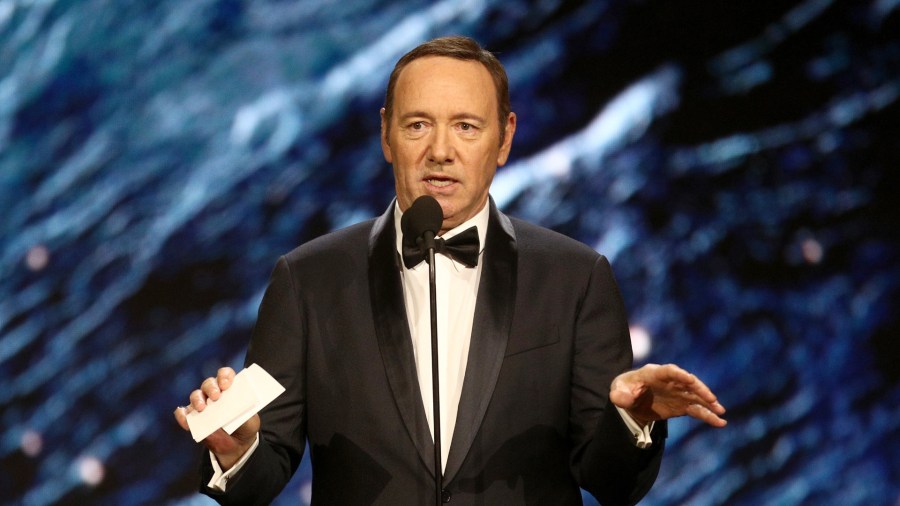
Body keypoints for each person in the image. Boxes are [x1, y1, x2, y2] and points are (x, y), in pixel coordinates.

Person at [174, 35, 726, 505]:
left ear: (505, 139)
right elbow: (264, 472)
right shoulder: (307, 281)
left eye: (466, 126)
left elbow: (612, 484)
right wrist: (236, 448)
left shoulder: (577, 280)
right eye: (417, 126)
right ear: (386, 135)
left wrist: (634, 420)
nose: (441, 151)